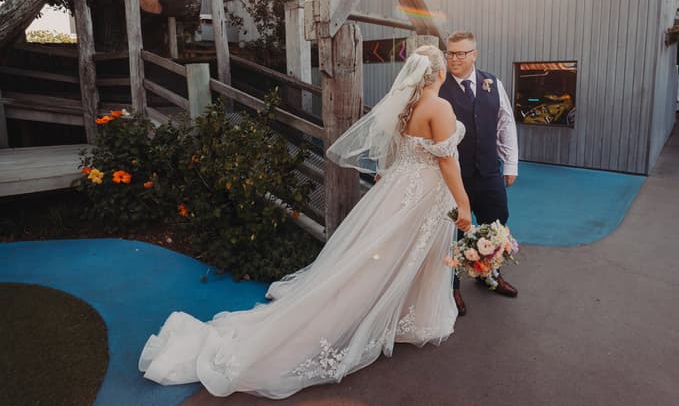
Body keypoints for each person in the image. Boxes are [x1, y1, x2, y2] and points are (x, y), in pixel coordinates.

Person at [138, 45, 471, 399]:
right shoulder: (439, 106)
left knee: (387, 257)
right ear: (438, 73)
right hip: (422, 194)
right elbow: (447, 163)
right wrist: (463, 205)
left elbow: (393, 150)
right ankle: (395, 318)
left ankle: (402, 314)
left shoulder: (405, 105)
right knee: (403, 256)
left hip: (397, 189)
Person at [438, 31, 519, 316]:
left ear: (474, 54)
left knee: (496, 222)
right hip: (451, 177)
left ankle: (490, 275)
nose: (455, 59)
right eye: (450, 53)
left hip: (488, 171)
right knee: (452, 233)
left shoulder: (492, 83)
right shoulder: (438, 86)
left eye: (461, 53)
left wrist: (510, 164)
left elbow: (505, 123)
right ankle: (452, 286)